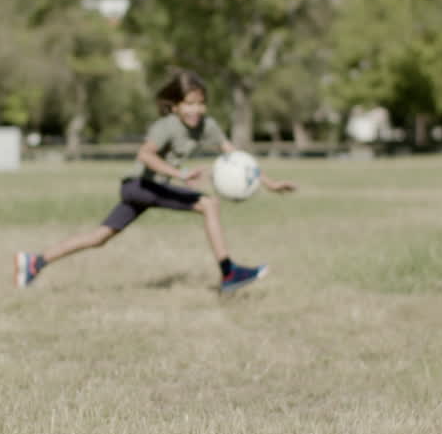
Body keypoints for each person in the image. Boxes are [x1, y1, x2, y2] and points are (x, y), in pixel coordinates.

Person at [15, 69, 295, 293]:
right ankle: (229, 272)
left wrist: (268, 183)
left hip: (146, 189)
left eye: (200, 102)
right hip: (140, 186)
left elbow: (236, 157)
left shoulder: (207, 126)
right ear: (174, 106)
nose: (195, 109)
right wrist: (181, 175)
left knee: (100, 237)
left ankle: (35, 262)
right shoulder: (166, 127)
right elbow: (145, 155)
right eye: (189, 103)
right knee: (209, 204)